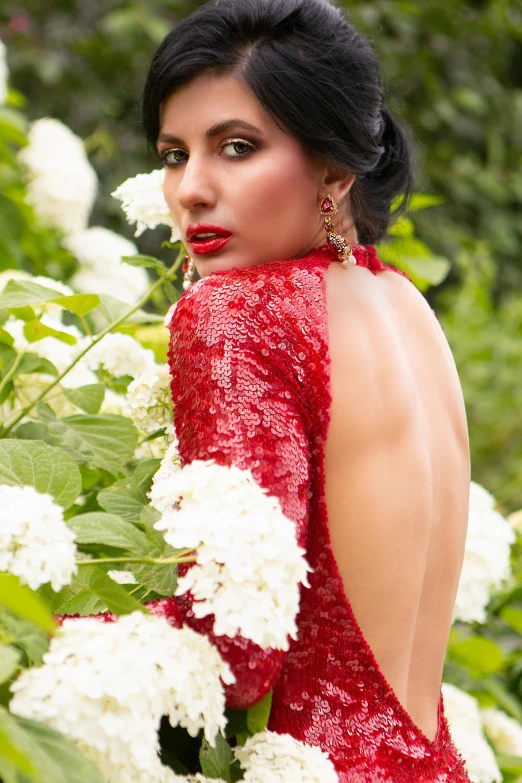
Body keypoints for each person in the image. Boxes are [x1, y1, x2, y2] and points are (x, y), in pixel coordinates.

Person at [64, 0, 473, 779]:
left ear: (332, 166)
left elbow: (236, 647)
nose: (190, 189)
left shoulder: (235, 314)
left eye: (237, 148)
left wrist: (32, 632)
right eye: (175, 154)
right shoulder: (406, 305)